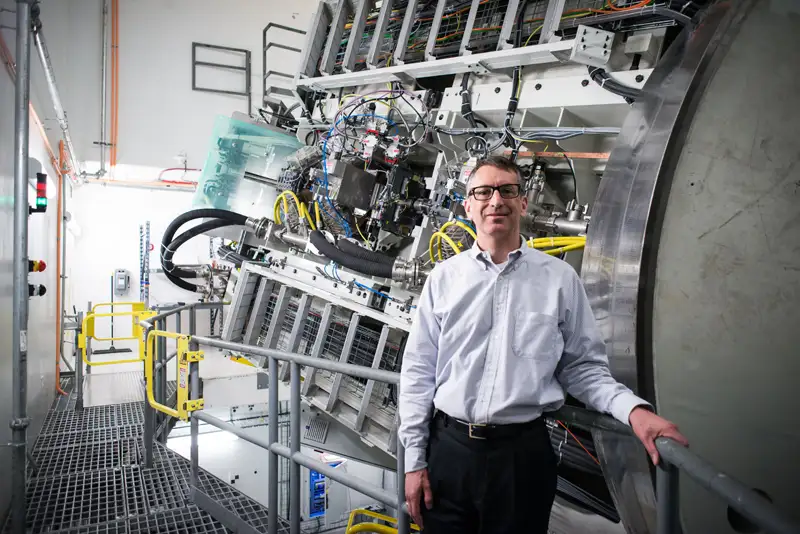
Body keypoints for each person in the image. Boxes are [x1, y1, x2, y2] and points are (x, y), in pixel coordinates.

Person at [398, 156, 688, 533]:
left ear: (523, 202)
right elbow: (418, 372)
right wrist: (414, 462)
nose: (495, 201)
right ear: (468, 205)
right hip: (449, 454)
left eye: (507, 190)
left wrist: (634, 412)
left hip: (522, 458)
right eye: (483, 192)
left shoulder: (560, 280)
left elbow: (583, 369)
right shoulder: (444, 279)